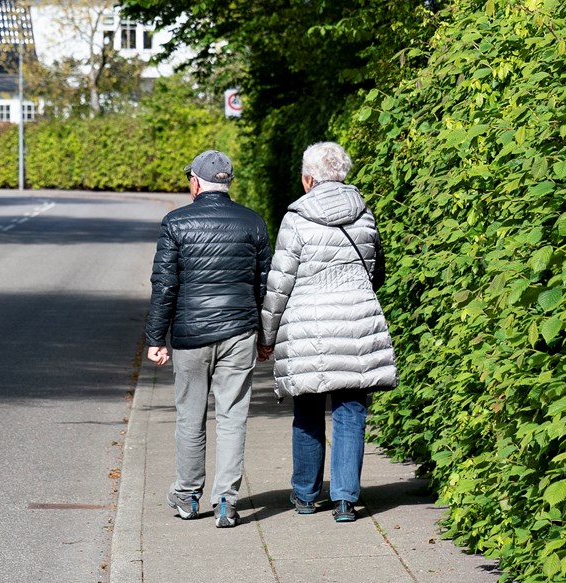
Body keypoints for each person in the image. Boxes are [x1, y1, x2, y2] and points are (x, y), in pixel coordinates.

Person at [258, 141, 398, 523]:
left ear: (308, 179)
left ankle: (304, 495)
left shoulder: (297, 217)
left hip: (308, 327)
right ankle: (344, 500)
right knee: (351, 411)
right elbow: (376, 272)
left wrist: (267, 336)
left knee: (306, 408)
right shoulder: (365, 213)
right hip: (357, 321)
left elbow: (279, 284)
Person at [145, 149, 271, 528]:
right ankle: (226, 502)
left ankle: (186, 495)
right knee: (233, 417)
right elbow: (265, 285)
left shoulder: (175, 223)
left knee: (189, 416)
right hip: (239, 331)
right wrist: (266, 337)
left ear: (196, 182)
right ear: (226, 182)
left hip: (190, 334)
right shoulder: (253, 223)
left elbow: (164, 285)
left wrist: (156, 337)